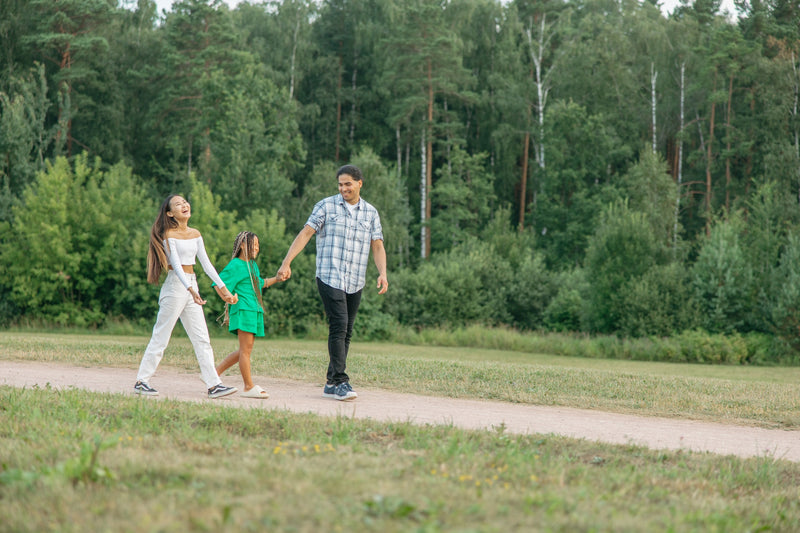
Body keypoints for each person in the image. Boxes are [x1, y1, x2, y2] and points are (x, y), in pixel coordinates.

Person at [276, 164, 388, 401]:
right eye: (340, 184)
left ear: (359, 183)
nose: (343, 188)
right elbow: (306, 233)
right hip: (329, 275)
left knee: (346, 330)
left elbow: (377, 245)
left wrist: (382, 273)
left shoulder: (370, 212)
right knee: (339, 324)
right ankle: (340, 381)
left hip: (355, 279)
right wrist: (287, 263)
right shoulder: (326, 206)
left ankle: (330, 382)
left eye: (348, 184)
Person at [134, 194, 240, 399]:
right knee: (161, 336)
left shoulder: (195, 233)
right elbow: (176, 264)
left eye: (185, 202)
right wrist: (189, 289)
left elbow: (207, 265)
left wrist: (223, 289)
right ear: (170, 213)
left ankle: (214, 385)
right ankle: (142, 381)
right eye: (177, 204)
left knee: (202, 338)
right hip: (176, 286)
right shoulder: (168, 234)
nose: (184, 205)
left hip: (192, 284)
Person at [214, 231, 281, 398]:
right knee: (245, 350)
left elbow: (259, 284)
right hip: (243, 310)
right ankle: (248, 387)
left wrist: (277, 279)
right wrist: (228, 298)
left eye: (258, 245)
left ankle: (212, 374)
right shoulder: (236, 264)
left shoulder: (252, 266)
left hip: (254, 310)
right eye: (254, 244)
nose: (257, 248)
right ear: (242, 245)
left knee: (245, 350)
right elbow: (218, 283)